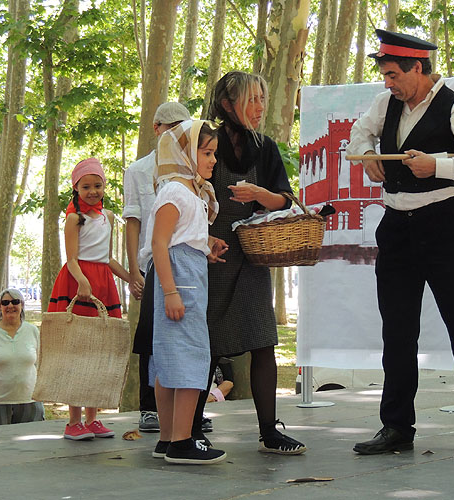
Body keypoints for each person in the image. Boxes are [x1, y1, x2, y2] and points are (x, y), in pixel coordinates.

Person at [346, 30, 454, 455]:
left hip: (442, 225)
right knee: (397, 331)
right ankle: (396, 426)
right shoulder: (385, 104)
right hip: (396, 226)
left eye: (393, 75)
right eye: (385, 75)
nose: (387, 83)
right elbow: (358, 136)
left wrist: (439, 166)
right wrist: (368, 156)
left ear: (417, 68)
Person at [193, 71, 306, 455]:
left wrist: (260, 193)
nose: (259, 108)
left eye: (262, 99)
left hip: (253, 254)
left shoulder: (266, 147)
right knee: (206, 343)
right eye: (251, 100)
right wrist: (203, 240)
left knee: (263, 340)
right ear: (228, 104)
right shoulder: (206, 141)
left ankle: (270, 432)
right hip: (211, 254)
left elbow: (285, 200)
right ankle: (190, 428)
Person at [143, 119, 227, 464]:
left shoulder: (190, 191)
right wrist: (171, 292)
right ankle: (181, 441)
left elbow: (181, 237)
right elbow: (160, 244)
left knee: (171, 356)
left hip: (188, 273)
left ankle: (167, 439)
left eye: (213, 153)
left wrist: (206, 246)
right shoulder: (175, 191)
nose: (213, 160)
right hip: (180, 279)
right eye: (206, 153)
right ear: (186, 153)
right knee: (191, 355)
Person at [48, 157, 131, 440]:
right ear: (76, 188)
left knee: (99, 350)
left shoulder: (108, 217)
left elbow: (107, 258)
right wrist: (83, 281)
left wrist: (131, 278)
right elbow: (71, 259)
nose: (93, 191)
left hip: (103, 284)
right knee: (77, 349)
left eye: (98, 185)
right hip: (78, 282)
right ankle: (73, 422)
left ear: (104, 186)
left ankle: (93, 418)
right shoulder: (73, 219)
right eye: (86, 186)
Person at [124, 101, 192, 433]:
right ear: (157, 128)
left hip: (188, 262)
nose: (177, 133)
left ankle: (188, 411)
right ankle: (149, 407)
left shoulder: (192, 166)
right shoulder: (138, 170)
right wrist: (133, 271)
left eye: (183, 127)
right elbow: (132, 220)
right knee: (151, 335)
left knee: (186, 335)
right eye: (171, 126)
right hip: (153, 262)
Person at [0, 288, 44, 425]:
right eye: (5, 303)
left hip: (29, 399)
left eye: (15, 302)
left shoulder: (32, 330)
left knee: (30, 438)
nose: (10, 306)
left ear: (22, 305)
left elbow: (41, 362)